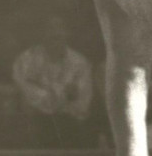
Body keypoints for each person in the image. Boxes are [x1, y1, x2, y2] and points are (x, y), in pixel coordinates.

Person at [12, 14, 94, 148]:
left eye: (60, 28)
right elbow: (27, 93)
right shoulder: (26, 60)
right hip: (36, 124)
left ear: (68, 32)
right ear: (42, 33)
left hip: (70, 125)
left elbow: (82, 101)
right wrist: (63, 95)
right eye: (50, 28)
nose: (55, 33)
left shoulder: (80, 63)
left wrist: (52, 95)